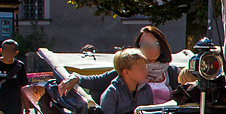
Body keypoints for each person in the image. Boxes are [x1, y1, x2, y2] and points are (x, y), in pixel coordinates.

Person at [59, 25, 195, 103]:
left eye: (153, 44)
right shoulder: (129, 70)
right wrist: (76, 78)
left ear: (161, 47)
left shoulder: (171, 72)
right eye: (144, 44)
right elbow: (98, 81)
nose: (148, 48)